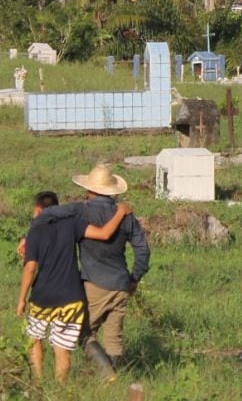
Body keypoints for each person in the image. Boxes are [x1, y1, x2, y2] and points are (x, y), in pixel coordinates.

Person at [32, 164, 150, 371]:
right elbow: (143, 250)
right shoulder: (125, 215)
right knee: (114, 338)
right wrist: (134, 278)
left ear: (90, 190)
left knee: (81, 333)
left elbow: (45, 216)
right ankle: (114, 379)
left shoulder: (80, 210)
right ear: (111, 191)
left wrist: (31, 237)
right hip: (122, 284)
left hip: (95, 284)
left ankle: (107, 375)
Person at [16, 191, 130, 383]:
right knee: (62, 349)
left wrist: (21, 299)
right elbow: (104, 233)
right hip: (71, 298)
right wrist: (121, 212)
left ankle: (37, 382)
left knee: (34, 339)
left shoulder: (35, 231)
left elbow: (30, 268)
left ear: (37, 210)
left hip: (42, 297)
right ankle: (61, 389)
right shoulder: (72, 224)